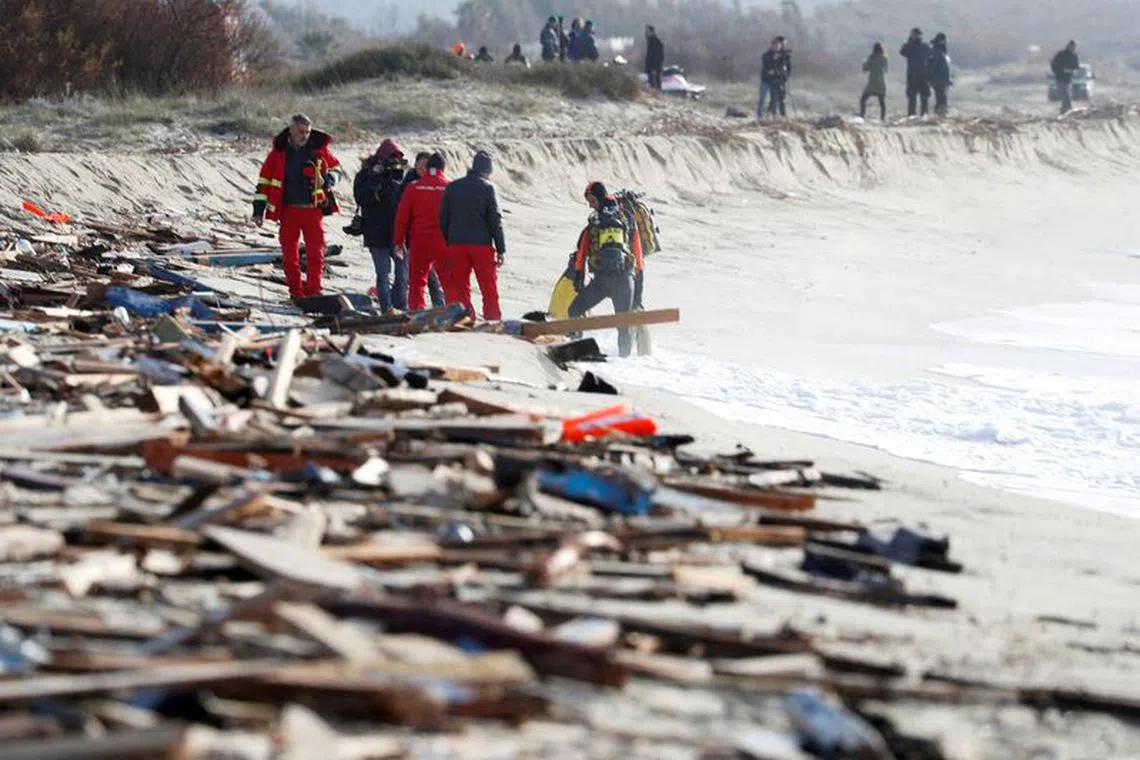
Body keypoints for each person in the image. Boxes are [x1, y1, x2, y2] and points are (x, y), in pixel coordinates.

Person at [252, 113, 340, 300]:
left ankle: (314, 293)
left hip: (313, 211)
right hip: (289, 212)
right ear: (291, 130)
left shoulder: (317, 149)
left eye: (307, 132)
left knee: (316, 255)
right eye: (300, 132)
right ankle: (296, 294)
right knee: (290, 257)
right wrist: (258, 211)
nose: (304, 136)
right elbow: (263, 183)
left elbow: (336, 168)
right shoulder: (278, 153)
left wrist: (330, 179)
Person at [569, 181, 645, 358]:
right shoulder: (626, 218)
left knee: (574, 310)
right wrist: (639, 285)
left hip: (602, 282)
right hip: (626, 281)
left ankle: (575, 352)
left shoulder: (595, 221)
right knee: (623, 327)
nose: (590, 205)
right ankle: (625, 366)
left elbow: (582, 253)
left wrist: (579, 276)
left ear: (600, 198)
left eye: (592, 200)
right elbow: (638, 253)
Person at [438, 151, 505, 321]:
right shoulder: (488, 188)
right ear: (487, 170)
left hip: (456, 244)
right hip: (481, 245)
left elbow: (443, 218)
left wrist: (449, 240)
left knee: (460, 287)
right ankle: (492, 318)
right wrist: (501, 248)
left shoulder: (452, 187)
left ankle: (465, 318)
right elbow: (495, 220)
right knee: (488, 287)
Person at [353, 139, 407, 311]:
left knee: (402, 274)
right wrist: (375, 177)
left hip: (398, 233)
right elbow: (361, 198)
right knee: (383, 275)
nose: (394, 164)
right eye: (390, 160)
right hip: (376, 232)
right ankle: (386, 309)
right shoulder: (365, 175)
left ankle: (400, 306)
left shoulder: (401, 175)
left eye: (397, 160)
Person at [395, 153, 451, 314]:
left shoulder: (413, 187)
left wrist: (399, 241)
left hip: (420, 242)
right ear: (442, 168)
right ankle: (452, 313)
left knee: (417, 282)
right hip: (443, 243)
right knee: (449, 283)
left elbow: (402, 217)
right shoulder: (450, 187)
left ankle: (416, 313)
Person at [900, 28, 931, 117]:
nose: (916, 37)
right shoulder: (911, 47)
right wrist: (910, 41)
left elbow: (930, 57)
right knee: (912, 97)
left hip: (921, 75)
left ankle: (923, 115)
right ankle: (912, 115)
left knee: (923, 97)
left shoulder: (925, 46)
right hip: (913, 75)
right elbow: (902, 52)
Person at [760, 36, 791, 118]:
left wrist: (786, 76)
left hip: (781, 79)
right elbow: (769, 66)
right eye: (776, 45)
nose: (779, 46)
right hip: (771, 79)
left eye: (781, 45)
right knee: (774, 98)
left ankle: (782, 115)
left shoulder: (784, 56)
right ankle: (772, 115)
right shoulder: (769, 55)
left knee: (782, 98)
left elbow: (788, 67)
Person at [860, 42, 889, 120]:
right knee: (882, 102)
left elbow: (865, 69)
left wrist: (863, 63)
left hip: (872, 83)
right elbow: (886, 70)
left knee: (863, 99)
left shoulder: (871, 58)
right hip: (881, 83)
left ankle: (862, 115)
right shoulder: (884, 58)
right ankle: (882, 117)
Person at [1051, 40, 1080, 115]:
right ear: (1068, 46)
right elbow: (1054, 64)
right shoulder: (1061, 54)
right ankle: (1067, 110)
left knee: (1067, 94)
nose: (1073, 48)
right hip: (1060, 78)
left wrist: (1072, 71)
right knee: (1065, 94)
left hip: (1068, 79)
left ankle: (1065, 111)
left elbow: (1076, 67)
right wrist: (1061, 70)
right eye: (1072, 46)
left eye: (1074, 47)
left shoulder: (1074, 56)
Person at [928, 33, 952, 116]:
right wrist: (930, 78)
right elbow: (932, 67)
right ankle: (940, 114)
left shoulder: (943, 51)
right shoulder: (935, 52)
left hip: (944, 79)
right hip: (938, 80)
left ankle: (942, 113)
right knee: (941, 98)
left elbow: (946, 67)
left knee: (943, 98)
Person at [645, 25, 665, 90]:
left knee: (656, 86)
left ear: (652, 32)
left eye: (647, 31)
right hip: (651, 69)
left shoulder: (656, 43)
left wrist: (654, 68)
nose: (646, 33)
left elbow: (659, 57)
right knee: (652, 85)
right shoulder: (650, 42)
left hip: (654, 70)